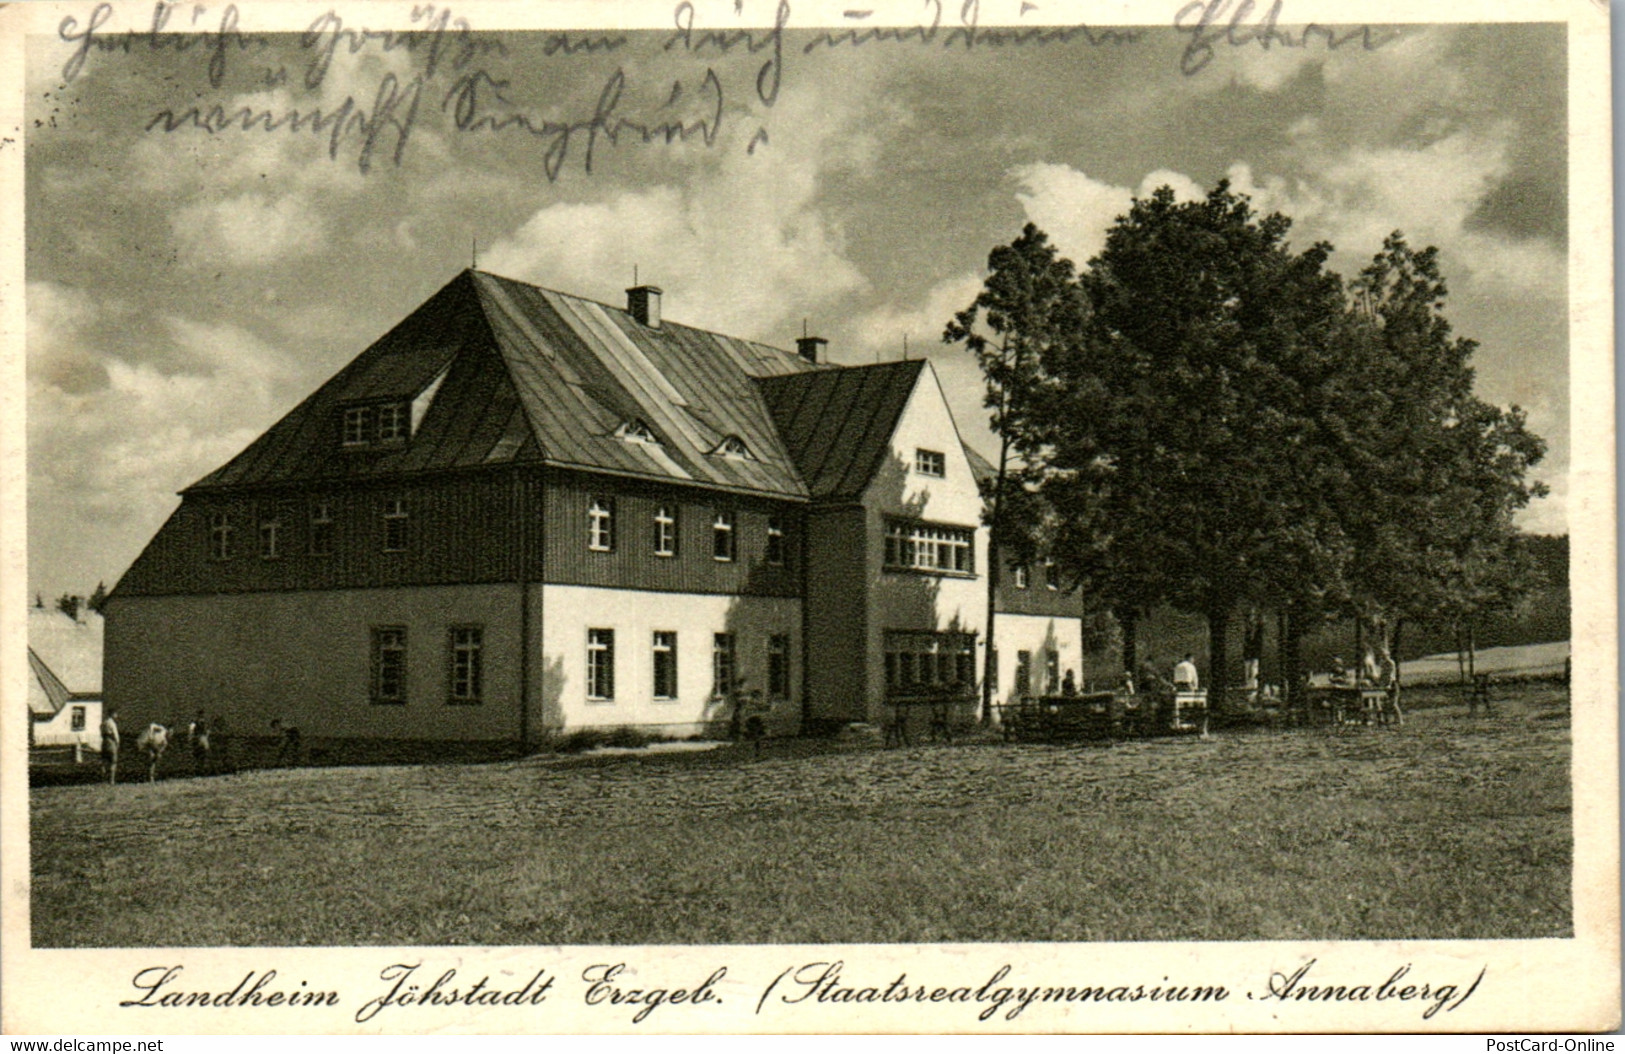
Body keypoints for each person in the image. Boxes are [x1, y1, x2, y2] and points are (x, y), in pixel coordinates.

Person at [100, 709, 120, 785]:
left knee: (104, 762)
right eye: (115, 714)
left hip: (104, 742)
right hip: (111, 742)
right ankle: (111, 780)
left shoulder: (103, 723)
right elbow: (115, 735)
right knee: (113, 761)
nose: (116, 716)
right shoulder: (112, 723)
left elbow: (101, 732)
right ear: (112, 714)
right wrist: (117, 743)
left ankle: (103, 779)